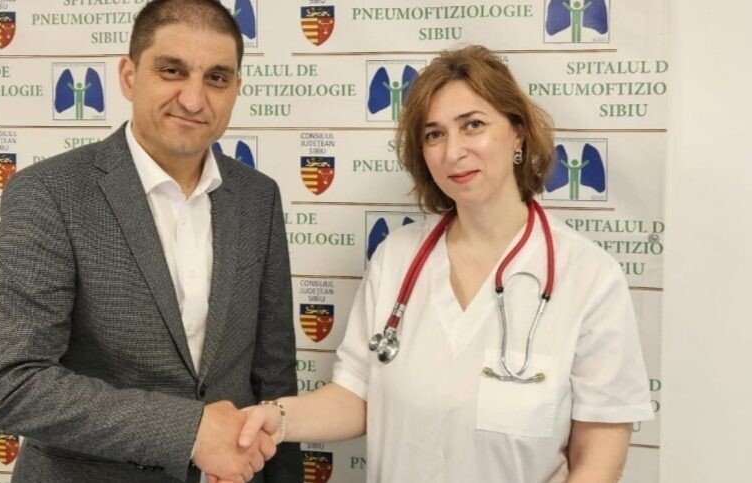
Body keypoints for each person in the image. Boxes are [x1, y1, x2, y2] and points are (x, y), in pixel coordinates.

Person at [235, 45, 654, 483]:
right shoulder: (396, 258)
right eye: (434, 134)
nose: (453, 151)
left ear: (518, 133)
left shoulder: (588, 276)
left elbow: (599, 461)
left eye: (473, 125)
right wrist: (277, 418)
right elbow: (356, 397)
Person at [0, 1, 302, 482]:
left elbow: (274, 376)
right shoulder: (49, 192)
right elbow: (15, 384)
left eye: (216, 78)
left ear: (236, 88)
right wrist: (191, 431)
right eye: (172, 71)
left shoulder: (257, 196)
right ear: (129, 76)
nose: (193, 99)